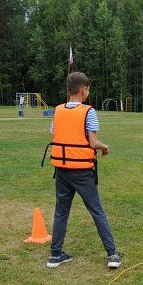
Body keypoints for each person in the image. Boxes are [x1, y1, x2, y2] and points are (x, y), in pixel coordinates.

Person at [43, 72, 121, 269]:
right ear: (83, 89)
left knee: (61, 212)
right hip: (82, 171)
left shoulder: (58, 110)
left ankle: (55, 255)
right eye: (88, 89)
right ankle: (112, 254)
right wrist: (105, 147)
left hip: (61, 169)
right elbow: (93, 142)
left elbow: (56, 133)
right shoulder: (88, 111)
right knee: (97, 212)